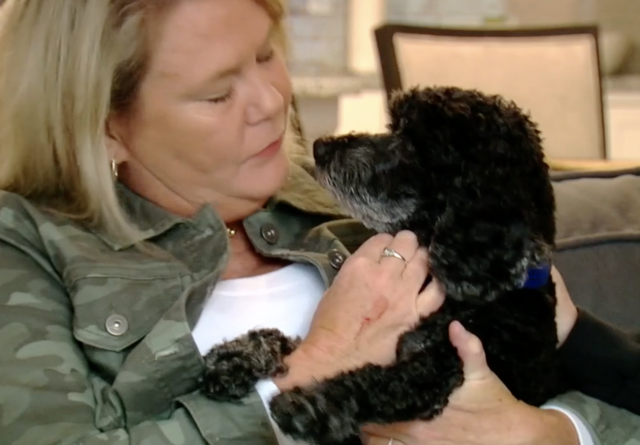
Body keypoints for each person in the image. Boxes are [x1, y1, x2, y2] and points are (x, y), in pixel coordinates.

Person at [0, 1, 637, 445]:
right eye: (218, 93)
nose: (273, 100)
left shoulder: (369, 200)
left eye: (264, 54)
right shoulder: (28, 246)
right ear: (103, 124)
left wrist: (550, 434)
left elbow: (564, 364)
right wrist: (318, 365)